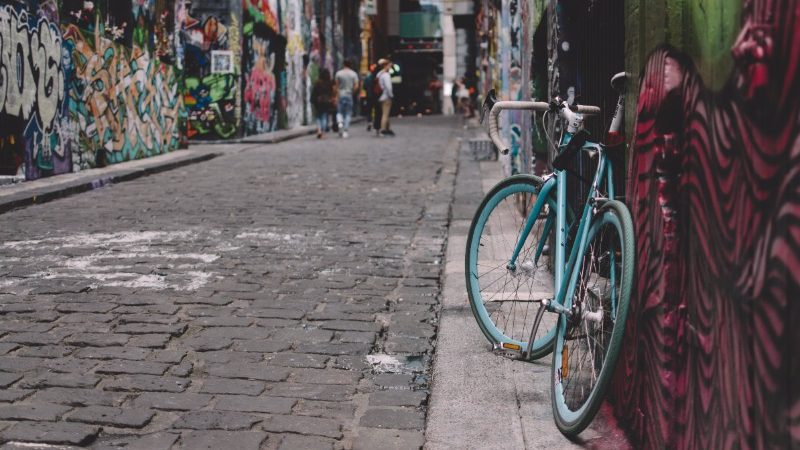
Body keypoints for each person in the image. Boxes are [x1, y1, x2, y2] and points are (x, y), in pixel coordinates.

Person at [334, 59, 359, 138]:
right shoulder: (353, 74)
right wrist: (352, 92)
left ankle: (340, 122)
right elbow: (356, 86)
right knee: (348, 113)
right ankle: (345, 130)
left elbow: (336, 86)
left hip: (340, 94)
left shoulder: (338, 73)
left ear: (343, 64)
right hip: (349, 94)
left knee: (339, 112)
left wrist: (336, 95)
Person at [311, 68, 336, 139]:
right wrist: (332, 99)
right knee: (324, 117)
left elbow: (314, 93)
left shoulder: (317, 83)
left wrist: (313, 101)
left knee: (318, 117)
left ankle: (319, 130)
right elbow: (333, 92)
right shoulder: (330, 82)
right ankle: (323, 132)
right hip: (327, 101)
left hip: (319, 102)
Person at [377, 58, 394, 136]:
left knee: (385, 113)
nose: (390, 67)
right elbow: (388, 87)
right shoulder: (386, 75)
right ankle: (383, 129)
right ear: (385, 66)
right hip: (386, 96)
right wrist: (391, 95)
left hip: (380, 96)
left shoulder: (379, 74)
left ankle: (388, 128)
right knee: (385, 114)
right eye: (389, 65)